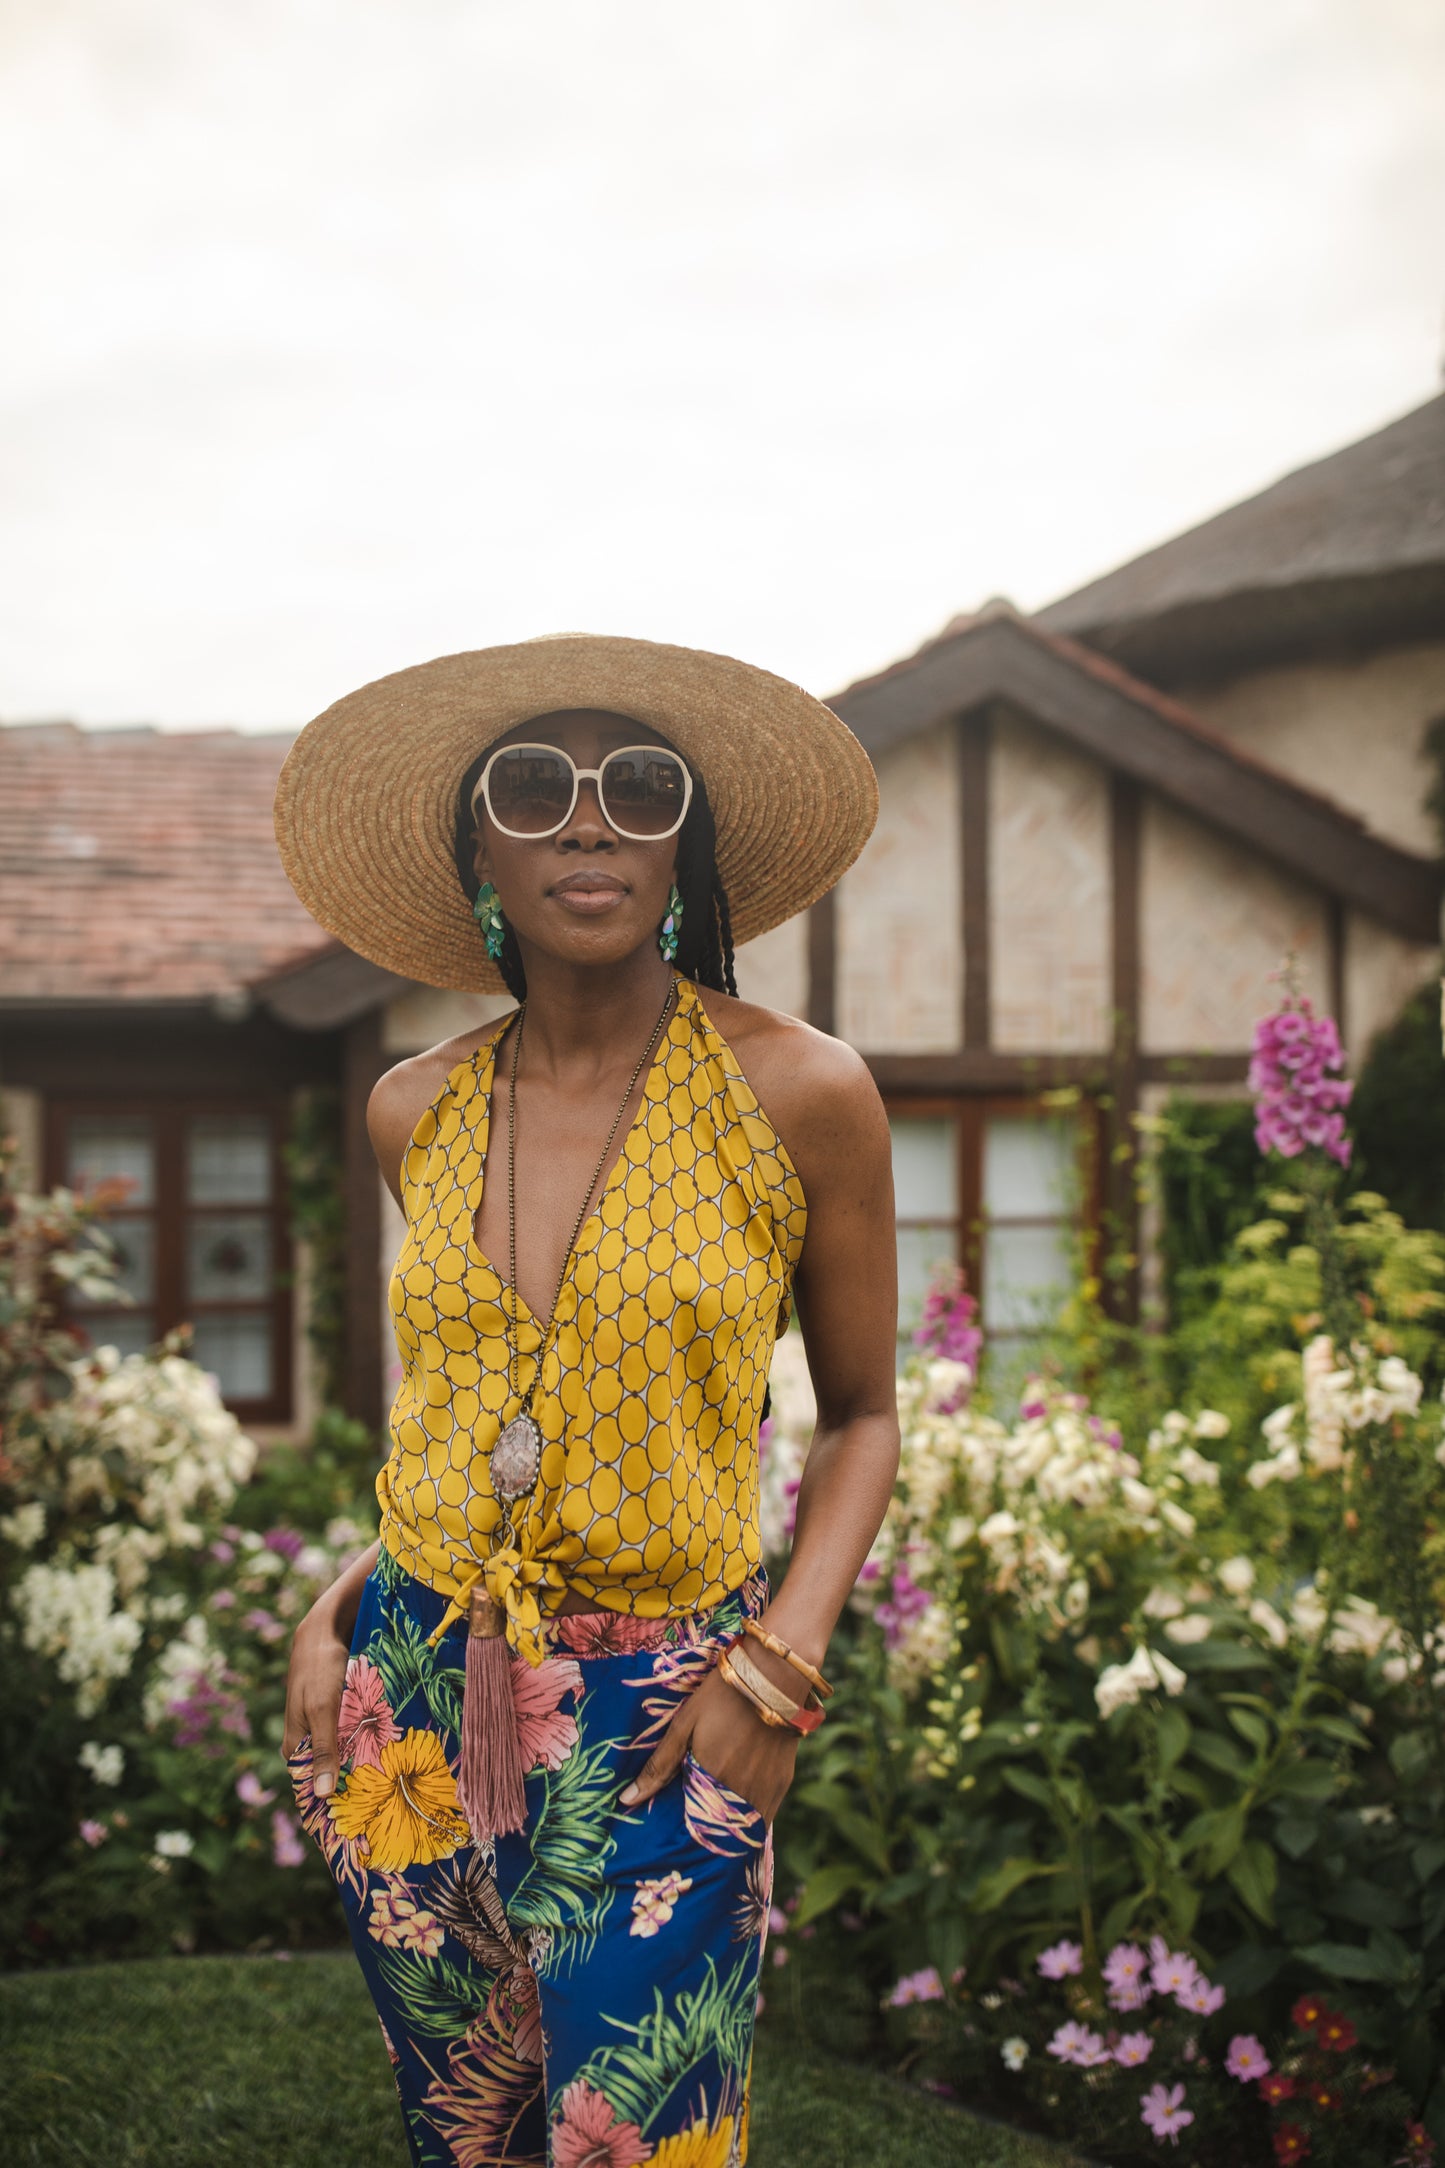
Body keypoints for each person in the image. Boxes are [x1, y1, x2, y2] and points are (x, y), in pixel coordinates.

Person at [274, 634, 900, 2168]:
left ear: (683, 838)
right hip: (408, 1697)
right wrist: (338, 1604)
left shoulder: (799, 1094)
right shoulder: (410, 1108)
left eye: (637, 785)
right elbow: (470, 1422)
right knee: (463, 2130)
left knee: (643, 2140)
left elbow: (865, 1413)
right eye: (534, 786)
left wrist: (778, 1674)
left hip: (666, 1712)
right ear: (476, 842)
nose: (588, 819)